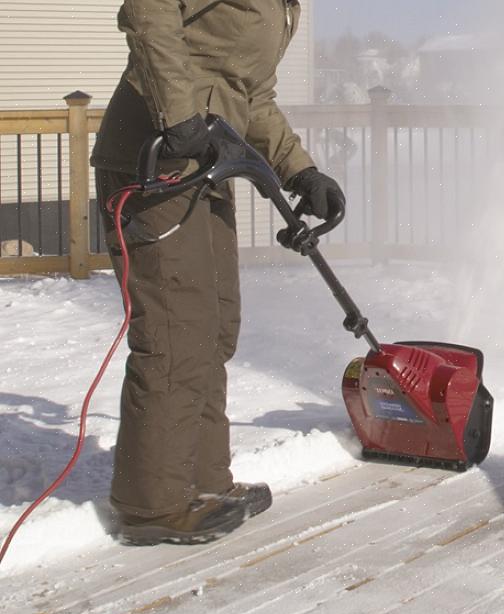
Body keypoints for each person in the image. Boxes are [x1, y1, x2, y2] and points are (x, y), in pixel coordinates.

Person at [90, 0, 345, 545]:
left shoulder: (282, 8)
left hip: (203, 168)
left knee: (215, 325)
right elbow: (147, 12)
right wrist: (179, 114)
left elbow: (252, 97)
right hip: (154, 161)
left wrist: (302, 171)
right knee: (176, 327)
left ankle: (203, 483)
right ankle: (153, 504)